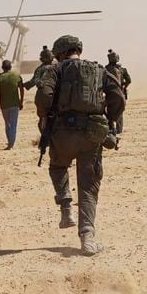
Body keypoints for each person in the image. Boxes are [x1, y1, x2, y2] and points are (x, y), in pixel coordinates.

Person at [36, 35, 125, 256]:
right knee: (88, 187)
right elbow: (118, 98)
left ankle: (66, 207)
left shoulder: (55, 70)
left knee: (57, 167)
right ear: (78, 51)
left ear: (61, 53)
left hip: (62, 133)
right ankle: (87, 238)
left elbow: (43, 97)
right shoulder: (99, 70)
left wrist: (45, 118)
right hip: (91, 135)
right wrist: (109, 120)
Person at [0, 59, 25, 149]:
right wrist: (21, 101)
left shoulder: (0, 77)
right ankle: (11, 142)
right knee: (13, 124)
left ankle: (10, 141)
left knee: (7, 124)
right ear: (10, 67)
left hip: (4, 105)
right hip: (15, 104)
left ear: (2, 67)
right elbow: (21, 89)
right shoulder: (17, 76)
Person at [105, 50, 131, 135]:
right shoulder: (122, 69)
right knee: (120, 111)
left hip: (109, 93)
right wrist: (123, 87)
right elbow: (129, 81)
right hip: (120, 93)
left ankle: (111, 129)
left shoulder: (105, 69)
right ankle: (119, 130)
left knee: (109, 111)